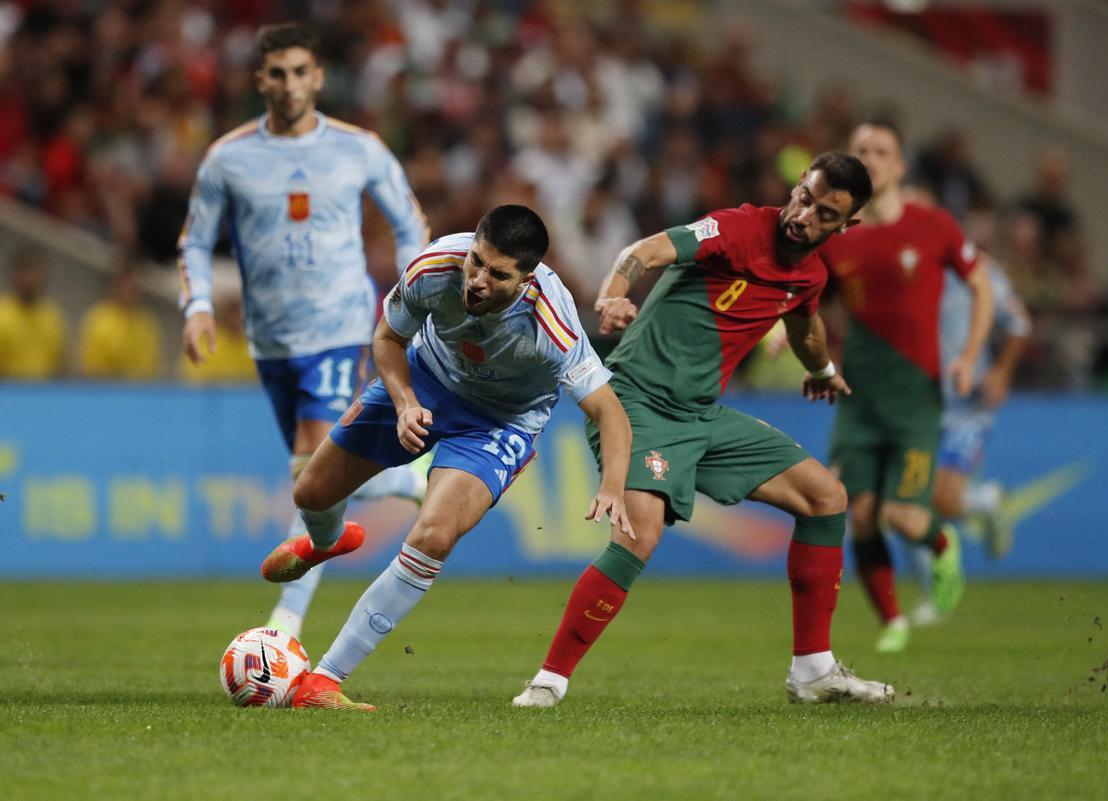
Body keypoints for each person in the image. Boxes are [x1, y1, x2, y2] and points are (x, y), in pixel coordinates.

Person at [511, 152, 894, 709]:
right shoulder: (739, 228)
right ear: (796, 189)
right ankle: (550, 678)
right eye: (805, 197)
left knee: (825, 497)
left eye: (825, 213)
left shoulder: (809, 275)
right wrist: (613, 293)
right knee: (639, 534)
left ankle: (813, 671)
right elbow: (644, 251)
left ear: (845, 225)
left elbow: (806, 322)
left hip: (701, 415)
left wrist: (822, 371)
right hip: (637, 403)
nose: (806, 216)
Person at [261, 205, 633, 711]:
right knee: (310, 491)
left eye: (497, 274)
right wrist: (405, 402)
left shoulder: (553, 322)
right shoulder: (435, 266)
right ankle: (327, 542)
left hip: (501, 422)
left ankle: (324, 680)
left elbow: (609, 413)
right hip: (427, 380)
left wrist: (612, 485)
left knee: (433, 535)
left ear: (527, 280)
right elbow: (388, 338)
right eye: (476, 261)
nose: (477, 280)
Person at [177, 23, 431, 639]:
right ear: (259, 80)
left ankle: (284, 626)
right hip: (271, 341)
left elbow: (409, 224)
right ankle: (410, 478)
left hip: (341, 325)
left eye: (300, 72)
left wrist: (413, 301)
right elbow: (195, 240)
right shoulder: (228, 158)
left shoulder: (359, 149)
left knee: (314, 471)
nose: (289, 85)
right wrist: (199, 306)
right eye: (277, 73)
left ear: (317, 77)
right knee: (308, 472)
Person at [818, 120, 993, 654]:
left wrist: (966, 358)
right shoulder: (837, 233)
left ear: (899, 165)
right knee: (859, 513)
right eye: (861, 149)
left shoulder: (933, 226)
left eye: (881, 150)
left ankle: (942, 544)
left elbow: (982, 288)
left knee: (904, 516)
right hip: (859, 397)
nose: (870, 156)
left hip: (915, 396)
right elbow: (804, 298)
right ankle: (892, 619)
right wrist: (793, 339)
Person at [908, 256, 1030, 627]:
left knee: (939, 500)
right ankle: (936, 597)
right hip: (916, 407)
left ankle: (985, 503)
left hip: (966, 408)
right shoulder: (904, 268)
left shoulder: (982, 272)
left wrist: (1001, 371)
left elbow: (1020, 323)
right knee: (908, 504)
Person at [78, 268, 162, 380]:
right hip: (104, 390)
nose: (128, 292)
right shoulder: (97, 320)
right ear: (114, 288)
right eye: (125, 288)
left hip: (138, 391)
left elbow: (151, 368)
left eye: (133, 288)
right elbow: (91, 368)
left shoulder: (147, 324)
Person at [0, 249, 66, 380]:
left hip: (46, 393)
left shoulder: (53, 315)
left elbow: (60, 365)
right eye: (23, 272)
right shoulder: (2, 314)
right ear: (12, 275)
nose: (28, 279)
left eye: (33, 272)